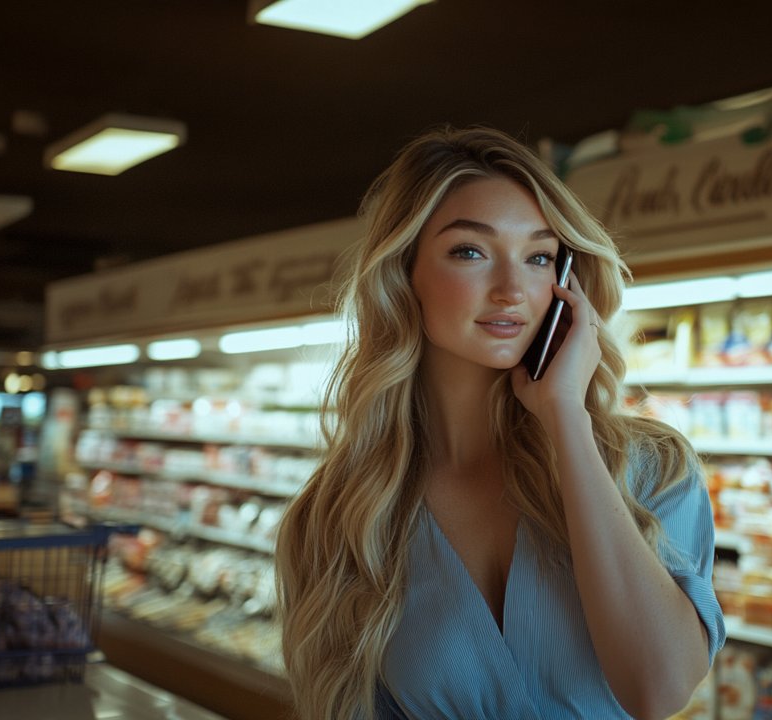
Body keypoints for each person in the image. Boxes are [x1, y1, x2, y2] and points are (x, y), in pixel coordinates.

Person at [275, 126, 725, 720]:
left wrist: (565, 416)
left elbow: (660, 688)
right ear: (402, 273)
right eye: (471, 251)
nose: (513, 289)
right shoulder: (342, 515)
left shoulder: (649, 466)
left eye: (539, 257)